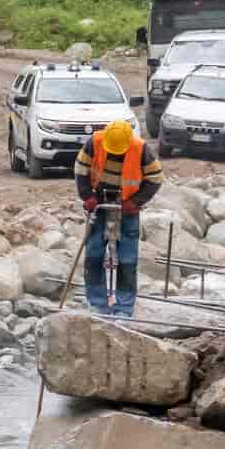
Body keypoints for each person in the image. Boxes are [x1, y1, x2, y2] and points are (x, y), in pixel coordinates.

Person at [74, 119, 162, 317]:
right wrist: (87, 195)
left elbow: (156, 178)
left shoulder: (140, 149)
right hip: (100, 204)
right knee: (94, 255)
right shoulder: (95, 142)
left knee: (128, 259)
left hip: (127, 207)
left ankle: (124, 307)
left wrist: (136, 201)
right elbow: (81, 170)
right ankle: (97, 304)